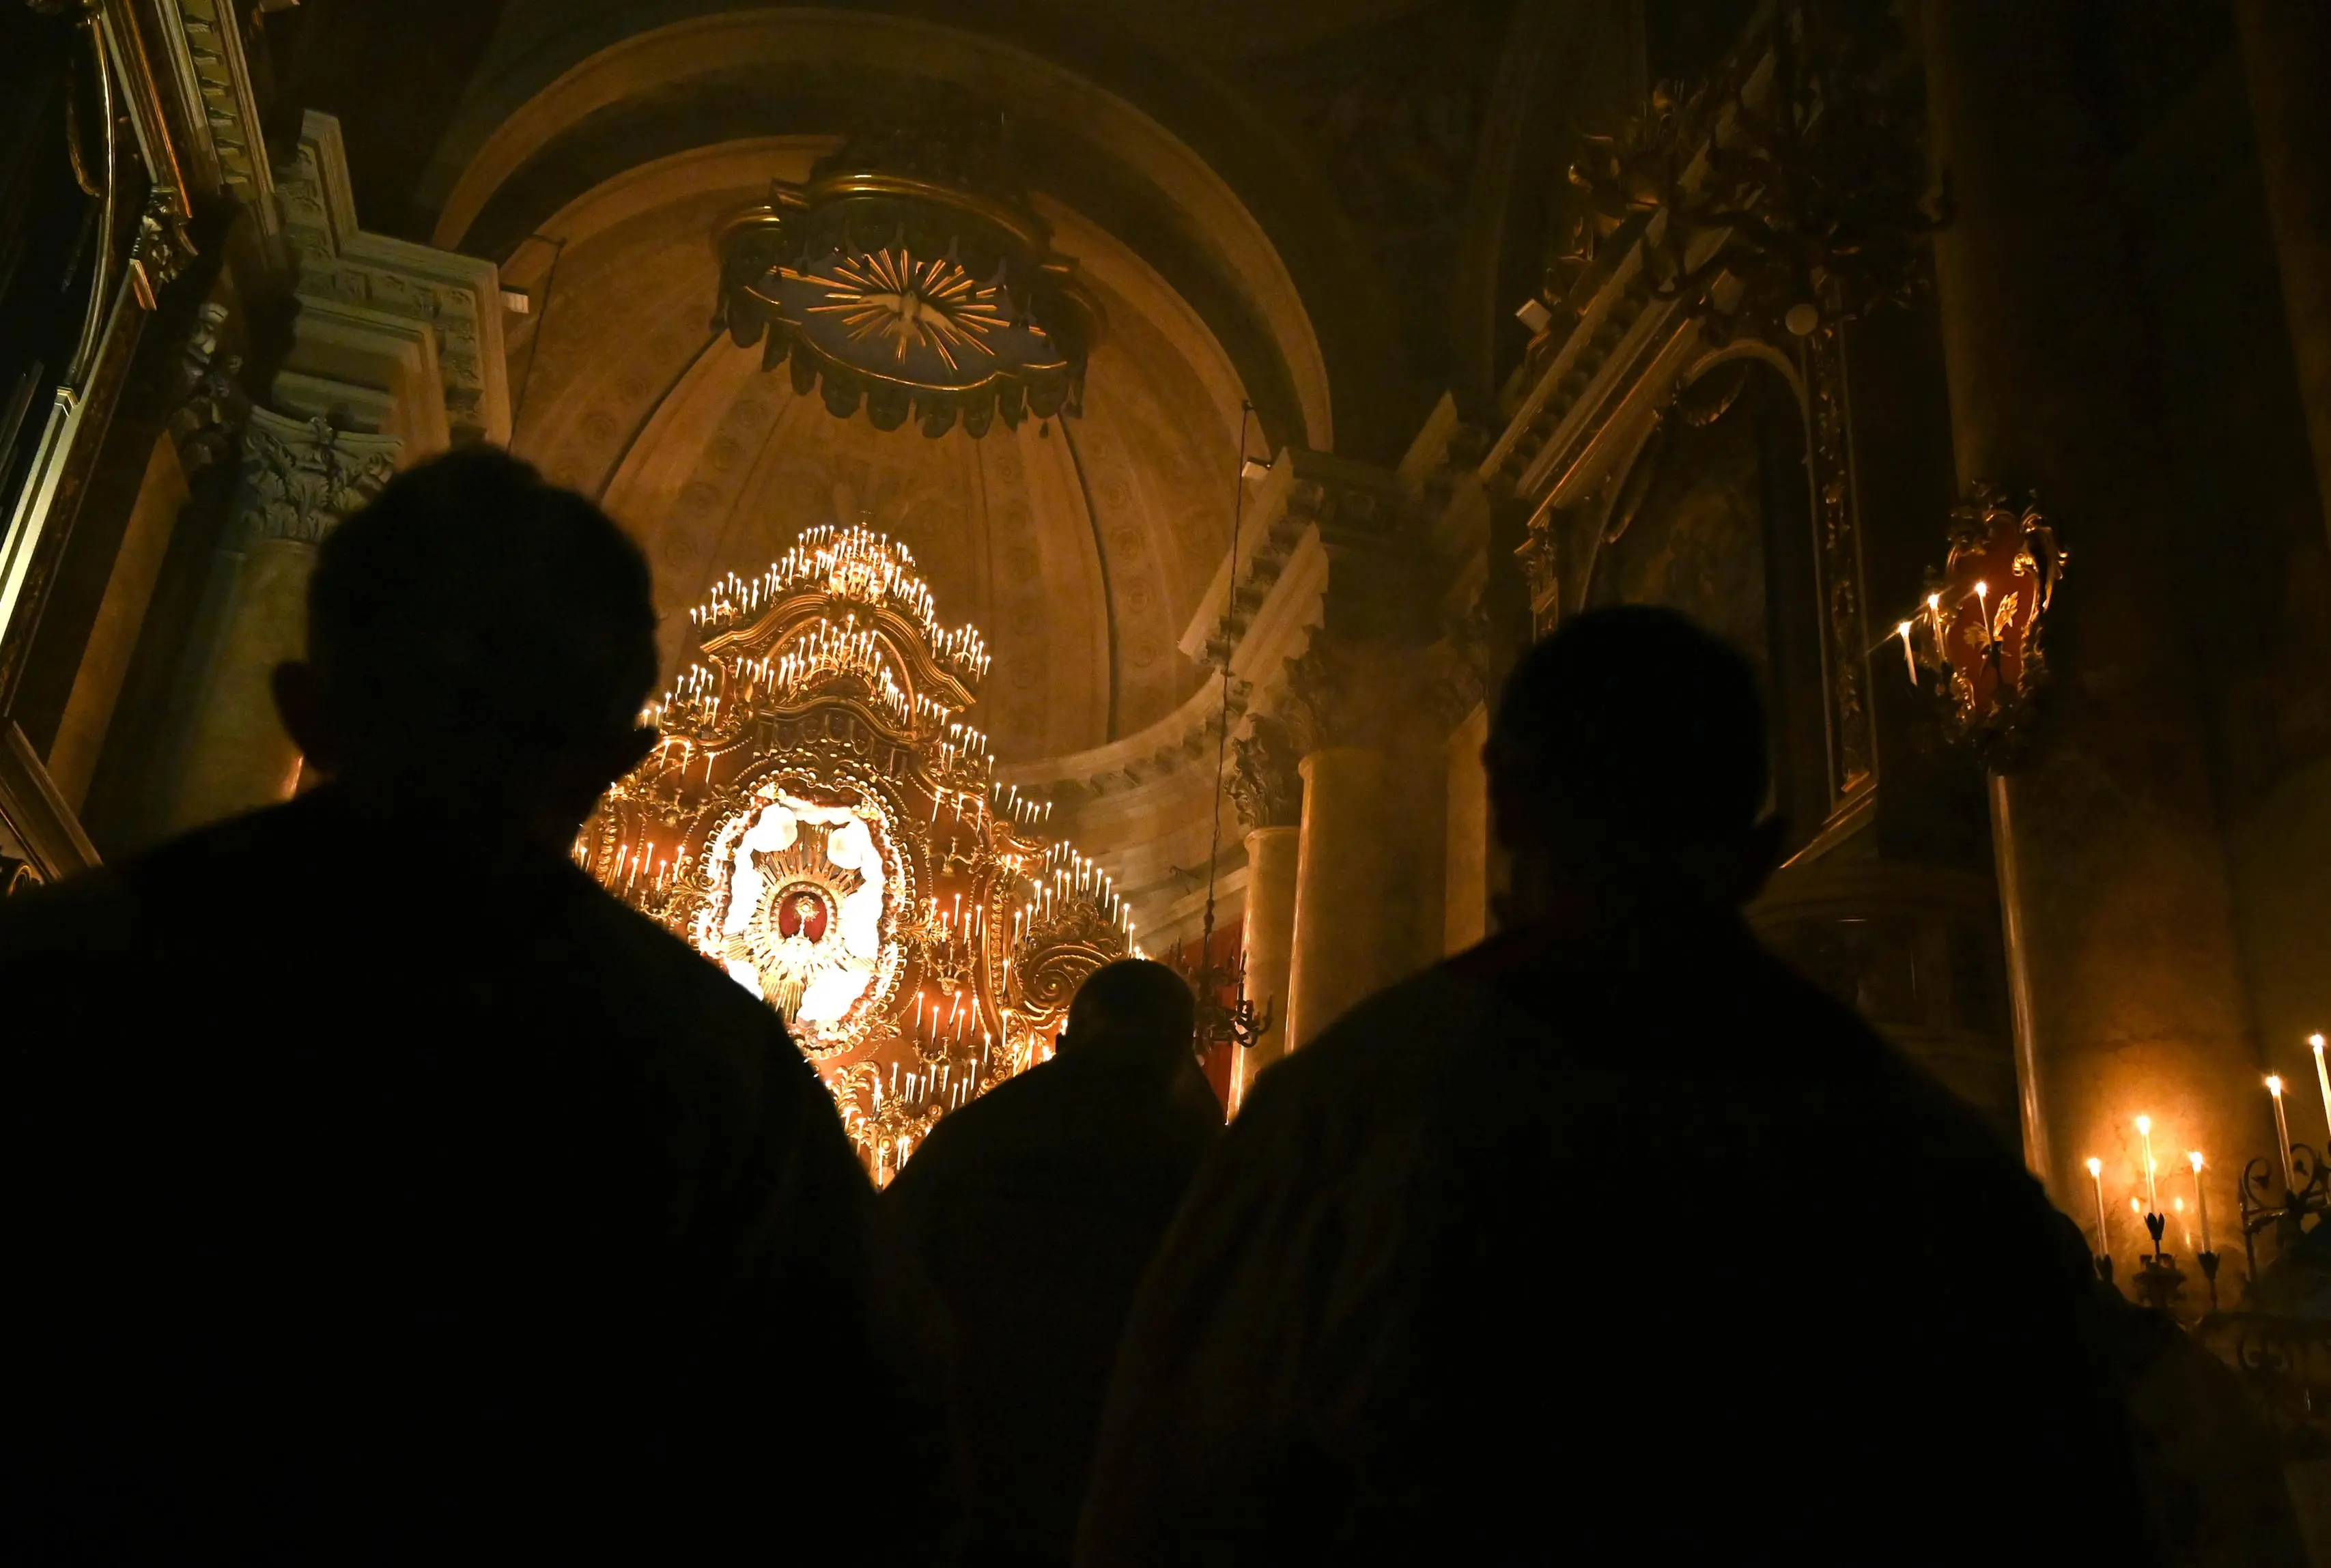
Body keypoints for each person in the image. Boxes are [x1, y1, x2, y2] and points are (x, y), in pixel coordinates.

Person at [0, 449, 954, 1563]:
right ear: (614, 760)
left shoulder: (64, 967)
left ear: (305, 708)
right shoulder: (717, 1078)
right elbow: (875, 1470)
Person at [1077, 606, 2163, 1565]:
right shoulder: (1937, 1161)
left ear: (1503, 802)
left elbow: (1168, 1499)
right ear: (1761, 848)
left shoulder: (1336, 1119)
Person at [888, 960, 1220, 1568]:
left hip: (970, 1492)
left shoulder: (972, 1140)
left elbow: (874, 1298)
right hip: (1140, 1506)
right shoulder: (1218, 1166)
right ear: (1183, 1046)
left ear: (1064, 1042)